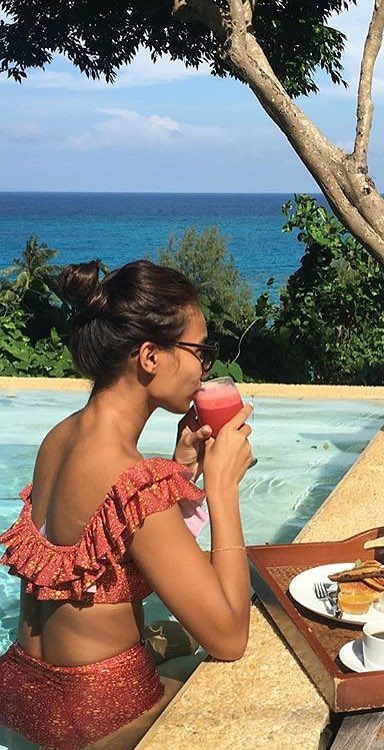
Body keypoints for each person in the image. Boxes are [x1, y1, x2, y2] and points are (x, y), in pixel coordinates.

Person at [0, 260, 254, 750]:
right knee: (231, 659)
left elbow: (110, 548)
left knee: (171, 636)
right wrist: (223, 489)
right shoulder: (133, 480)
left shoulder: (59, 438)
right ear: (150, 357)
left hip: (21, 698)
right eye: (200, 352)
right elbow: (229, 638)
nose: (205, 368)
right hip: (98, 722)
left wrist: (181, 472)